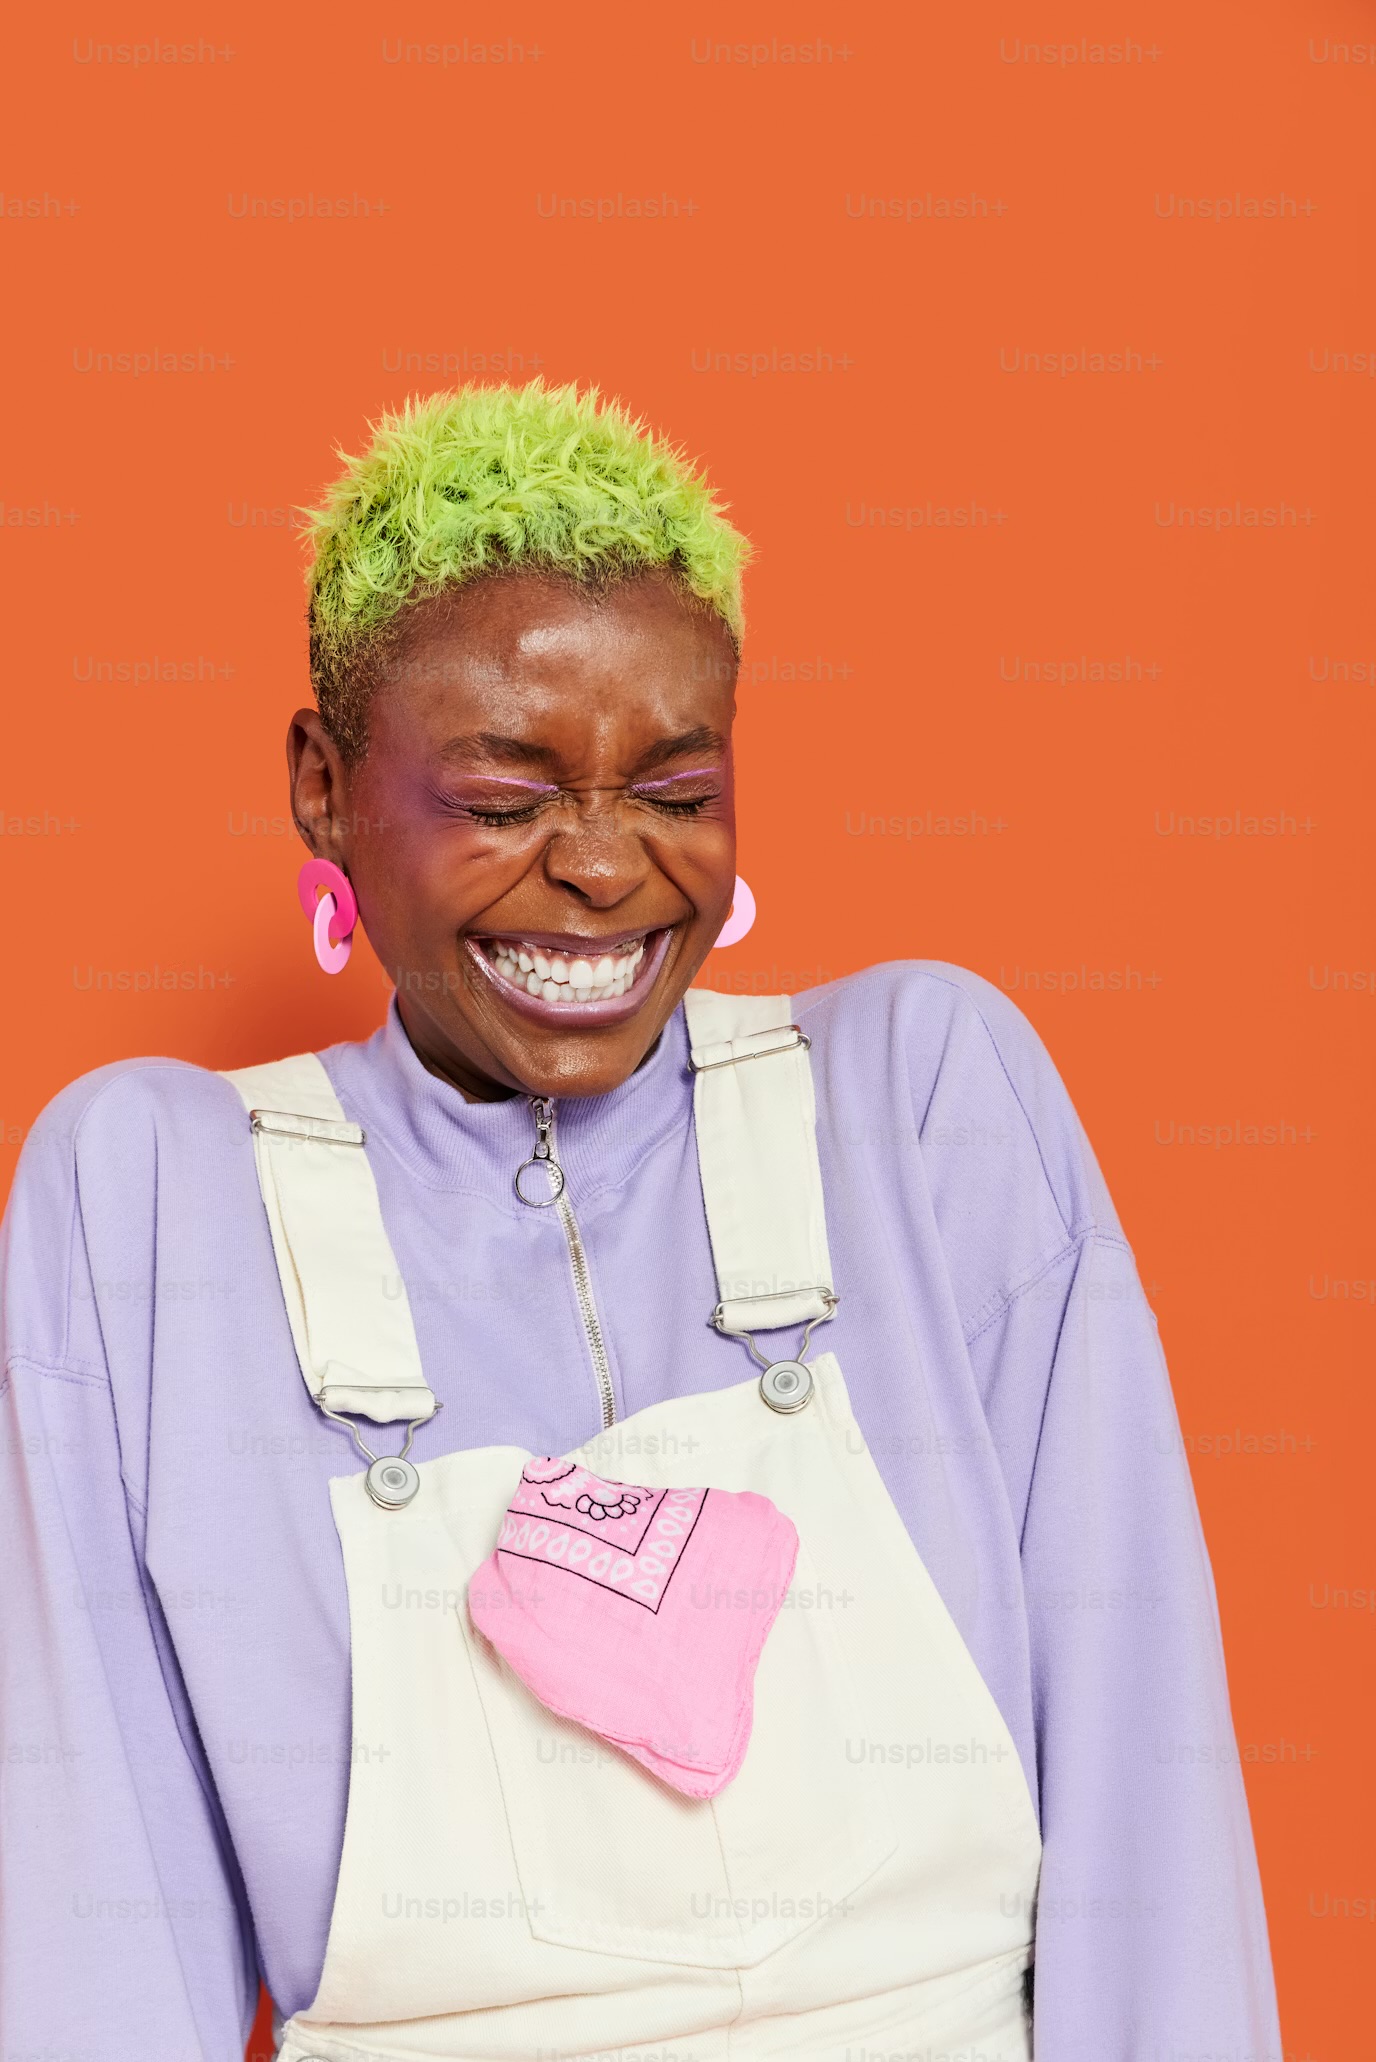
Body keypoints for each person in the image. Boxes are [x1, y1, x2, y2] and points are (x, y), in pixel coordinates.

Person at [0, 382, 1280, 2061]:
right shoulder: (148, 1204)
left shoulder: (922, 1105)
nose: (605, 869)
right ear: (323, 785)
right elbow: (86, 1923)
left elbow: (1148, 1806)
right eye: (502, 799)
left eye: (676, 791)